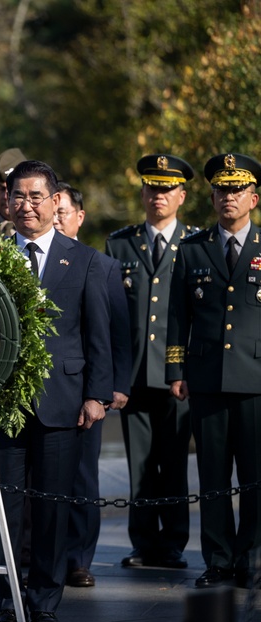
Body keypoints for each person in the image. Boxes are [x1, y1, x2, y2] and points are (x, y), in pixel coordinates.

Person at [0, 160, 113, 622]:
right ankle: (6, 603)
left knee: (54, 508)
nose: (26, 206)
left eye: (36, 196)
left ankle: (43, 603)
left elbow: (96, 331)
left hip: (62, 399)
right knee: (7, 508)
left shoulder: (81, 259)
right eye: (17, 196)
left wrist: (97, 394)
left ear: (56, 201)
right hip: (2, 402)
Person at [167, 152, 261, 588]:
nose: (229, 198)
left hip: (256, 381)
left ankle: (253, 559)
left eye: (237, 190)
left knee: (256, 475)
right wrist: (176, 370)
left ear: (253, 198)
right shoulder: (192, 249)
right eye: (222, 190)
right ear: (211, 197)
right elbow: (176, 314)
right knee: (212, 475)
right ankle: (218, 560)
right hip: (206, 378)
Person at [105, 154, 197, 571]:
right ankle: (143, 543)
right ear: (143, 192)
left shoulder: (196, 245)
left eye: (166, 189)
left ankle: (174, 543)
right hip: (134, 374)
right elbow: (111, 315)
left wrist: (185, 370)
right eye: (151, 188)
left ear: (181, 195)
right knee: (139, 463)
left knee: (174, 462)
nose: (157, 196)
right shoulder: (120, 244)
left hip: (178, 375)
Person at [54, 183, 131, 588]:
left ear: (79, 217)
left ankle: (79, 558)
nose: (55, 217)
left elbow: (117, 330)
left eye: (62, 211)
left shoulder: (101, 265)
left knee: (83, 476)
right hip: (49, 387)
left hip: (88, 388)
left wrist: (114, 386)